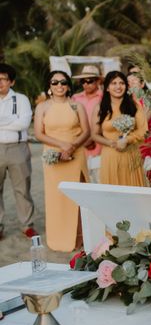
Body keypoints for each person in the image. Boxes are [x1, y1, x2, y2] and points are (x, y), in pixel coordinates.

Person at [34, 71, 90, 251]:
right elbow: (39, 133)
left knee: (77, 196)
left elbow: (86, 131)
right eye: (55, 82)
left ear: (68, 85)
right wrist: (62, 145)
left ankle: (80, 238)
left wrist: (71, 147)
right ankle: (59, 238)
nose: (59, 86)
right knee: (56, 198)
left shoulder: (76, 106)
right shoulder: (42, 107)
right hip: (53, 158)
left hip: (75, 155)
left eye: (63, 82)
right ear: (49, 86)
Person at [92, 71, 148, 186]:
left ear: (126, 86)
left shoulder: (134, 106)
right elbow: (94, 134)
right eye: (114, 83)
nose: (118, 86)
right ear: (107, 87)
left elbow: (143, 131)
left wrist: (127, 140)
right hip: (110, 156)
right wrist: (111, 143)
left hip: (131, 155)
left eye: (121, 83)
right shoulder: (100, 108)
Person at [0, 63, 36, 240]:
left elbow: (23, 123)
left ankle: (27, 225)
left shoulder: (21, 99)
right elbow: (16, 122)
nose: (0, 82)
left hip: (18, 148)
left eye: (3, 79)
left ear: (11, 82)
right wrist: (10, 121)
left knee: (22, 188)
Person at [127, 69, 151, 186]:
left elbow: (143, 123)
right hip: (134, 146)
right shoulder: (126, 104)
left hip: (150, 145)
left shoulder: (149, 101)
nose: (130, 84)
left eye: (134, 81)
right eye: (128, 82)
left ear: (142, 84)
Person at [71, 64, 103, 182]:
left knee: (98, 180)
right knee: (81, 180)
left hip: (100, 145)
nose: (86, 84)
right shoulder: (75, 98)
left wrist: (92, 138)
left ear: (98, 81)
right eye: (83, 81)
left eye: (89, 81)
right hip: (79, 145)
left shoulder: (104, 98)